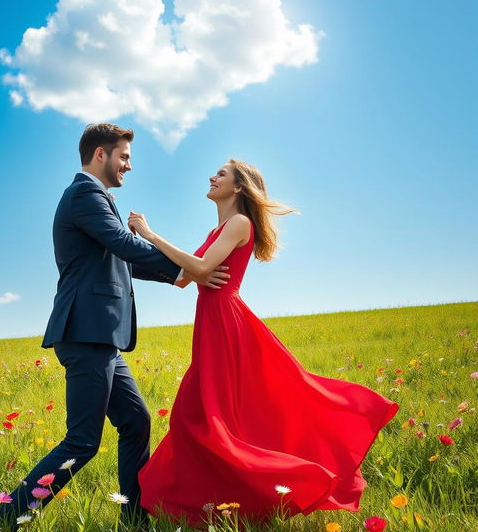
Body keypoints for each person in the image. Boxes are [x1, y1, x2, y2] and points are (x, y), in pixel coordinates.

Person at [0, 124, 229, 531]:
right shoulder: (84, 194)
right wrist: (185, 267)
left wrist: (175, 277)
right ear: (101, 154)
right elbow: (122, 242)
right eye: (124, 157)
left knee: (136, 422)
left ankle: (135, 520)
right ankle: (1, 521)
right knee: (81, 442)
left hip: (102, 338)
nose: (129, 165)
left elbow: (121, 259)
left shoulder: (99, 200)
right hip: (85, 332)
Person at [128, 159, 400, 526]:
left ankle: (275, 488)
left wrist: (150, 234)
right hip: (212, 324)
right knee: (194, 415)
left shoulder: (240, 223)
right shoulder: (218, 228)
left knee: (210, 417)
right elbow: (184, 277)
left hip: (227, 324)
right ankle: (194, 505)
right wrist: (127, 259)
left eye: (221, 174)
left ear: (239, 187)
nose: (212, 176)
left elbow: (202, 267)